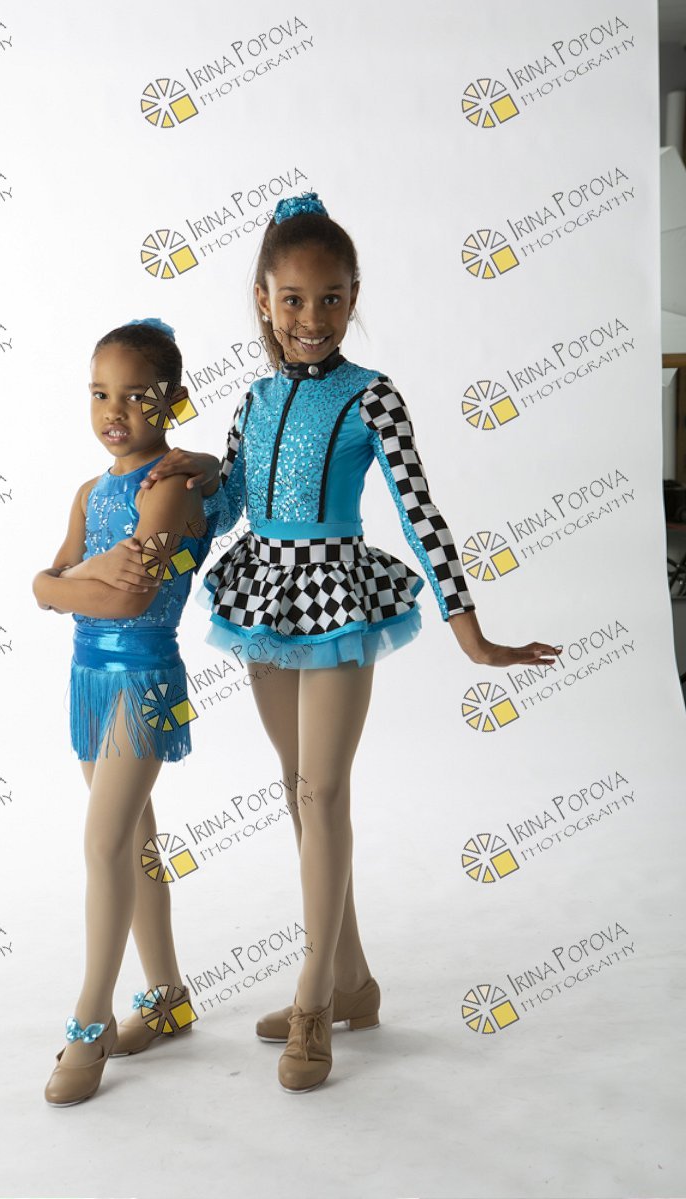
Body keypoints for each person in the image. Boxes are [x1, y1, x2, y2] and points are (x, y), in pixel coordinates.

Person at [125, 193, 560, 1093]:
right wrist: (197, 472)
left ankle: (315, 995)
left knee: (323, 793)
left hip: (337, 598)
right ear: (263, 300)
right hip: (265, 597)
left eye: (331, 298)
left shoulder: (373, 395)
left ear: (353, 297)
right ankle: (355, 980)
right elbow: (234, 503)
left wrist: (471, 632)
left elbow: (419, 510)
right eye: (292, 299)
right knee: (299, 791)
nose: (312, 318)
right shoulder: (253, 397)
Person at [31, 318, 216, 1106]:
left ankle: (91, 1018)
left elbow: (131, 596)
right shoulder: (89, 492)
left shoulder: (170, 484)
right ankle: (168, 996)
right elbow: (46, 581)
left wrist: (69, 584)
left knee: (104, 843)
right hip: (88, 679)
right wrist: (69, 580)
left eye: (136, 396)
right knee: (135, 843)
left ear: (174, 399)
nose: (115, 411)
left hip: (145, 679)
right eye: (100, 394)